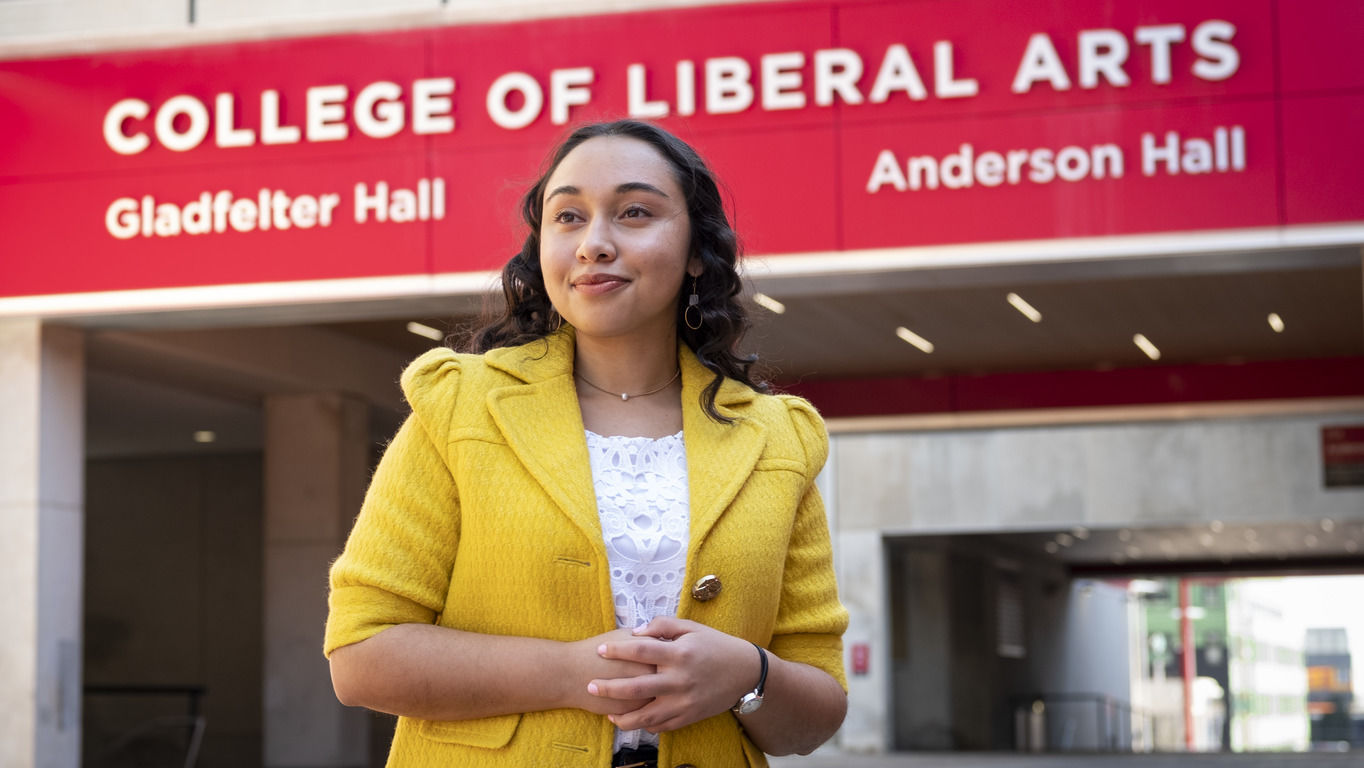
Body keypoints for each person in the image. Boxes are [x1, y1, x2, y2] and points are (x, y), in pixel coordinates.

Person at [324, 119, 848, 767]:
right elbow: (362, 656)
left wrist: (748, 674)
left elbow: (816, 712)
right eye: (568, 216)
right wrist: (579, 672)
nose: (594, 243)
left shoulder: (778, 437)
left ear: (696, 251)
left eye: (634, 212)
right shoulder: (459, 406)